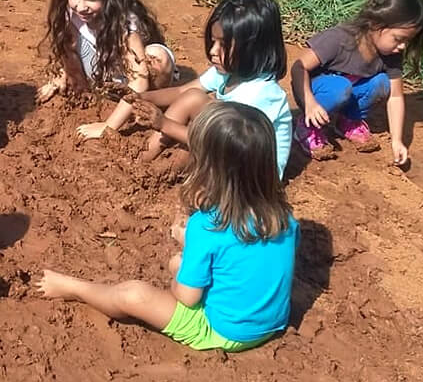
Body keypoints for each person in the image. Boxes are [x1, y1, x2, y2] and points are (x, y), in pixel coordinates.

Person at [38, 101, 299, 352]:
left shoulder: (207, 226)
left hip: (222, 332)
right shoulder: (285, 219)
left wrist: (180, 265)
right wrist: (189, 245)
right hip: (271, 323)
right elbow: (244, 255)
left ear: (209, 169)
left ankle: (73, 288)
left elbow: (187, 297)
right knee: (186, 262)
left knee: (134, 294)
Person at [131, 0, 291, 179]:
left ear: (253, 49)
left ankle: (154, 175)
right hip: (225, 149)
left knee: (194, 140)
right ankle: (142, 159)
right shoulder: (228, 72)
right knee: (192, 98)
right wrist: (139, 97)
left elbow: (222, 143)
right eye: (213, 41)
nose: (213, 51)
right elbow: (181, 92)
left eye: (223, 45)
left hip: (252, 177)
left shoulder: (262, 94)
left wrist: (164, 124)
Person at [37, 0, 177, 141]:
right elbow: (66, 47)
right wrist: (64, 75)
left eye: (91, 0)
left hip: (129, 79)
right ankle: (85, 89)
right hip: (102, 71)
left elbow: (139, 79)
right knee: (68, 42)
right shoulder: (68, 10)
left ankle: (151, 104)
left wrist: (108, 126)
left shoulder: (125, 24)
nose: (81, 6)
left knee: (158, 58)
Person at [291, 0, 423, 164]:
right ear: (375, 23)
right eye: (398, 38)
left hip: (344, 90)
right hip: (313, 92)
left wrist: (397, 141)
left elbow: (395, 96)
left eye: (408, 41)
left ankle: (348, 120)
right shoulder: (339, 39)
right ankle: (306, 127)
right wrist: (309, 102)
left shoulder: (391, 53)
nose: (402, 46)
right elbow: (298, 66)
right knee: (340, 87)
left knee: (382, 82)